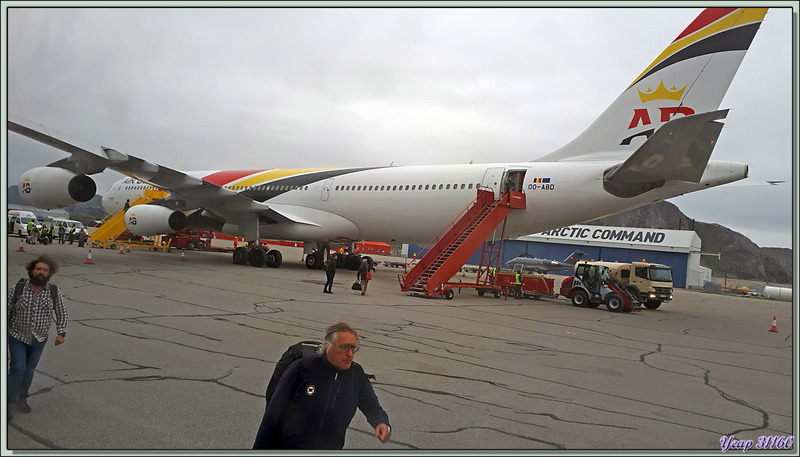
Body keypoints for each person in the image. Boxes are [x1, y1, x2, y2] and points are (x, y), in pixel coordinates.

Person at [253, 322, 391, 449]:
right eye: (344, 347)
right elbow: (272, 417)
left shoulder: (356, 375)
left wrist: (381, 423)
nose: (350, 354)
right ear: (327, 346)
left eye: (353, 348)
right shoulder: (302, 369)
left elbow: (372, 407)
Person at [7, 255, 68, 419]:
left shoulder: (53, 291)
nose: (41, 272)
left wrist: (61, 333)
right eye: (38, 269)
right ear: (31, 271)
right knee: (17, 369)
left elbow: (61, 312)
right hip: (17, 335)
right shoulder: (17, 289)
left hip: (39, 338)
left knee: (29, 371)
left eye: (45, 270)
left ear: (50, 274)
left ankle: (21, 398)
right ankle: (7, 402)